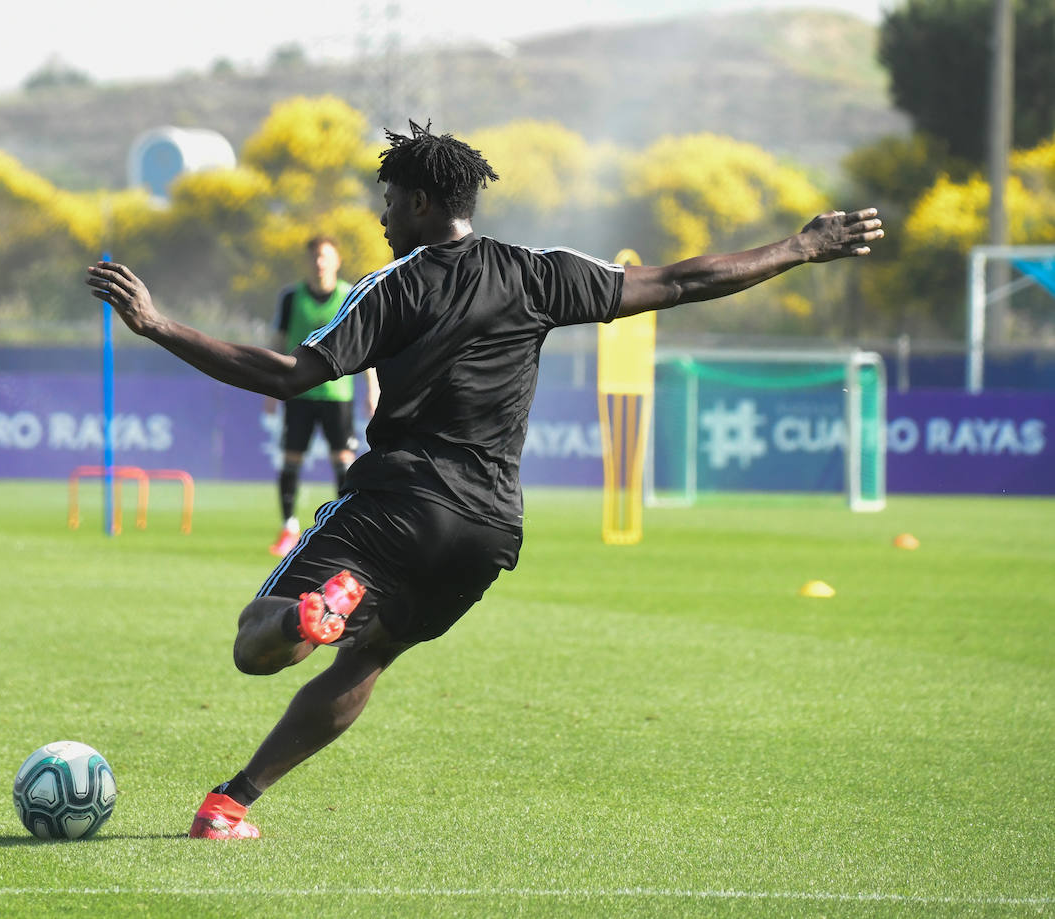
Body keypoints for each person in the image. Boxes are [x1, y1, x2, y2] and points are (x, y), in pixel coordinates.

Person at [86, 120, 885, 840]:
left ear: (427, 204)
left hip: (397, 502)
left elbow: (294, 373)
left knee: (255, 645)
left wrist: (159, 325)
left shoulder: (394, 285)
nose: (383, 217)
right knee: (367, 661)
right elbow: (679, 281)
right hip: (488, 532)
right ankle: (230, 803)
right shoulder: (539, 273)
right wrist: (799, 247)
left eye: (392, 201)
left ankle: (311, 610)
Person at [265, 236, 379, 557]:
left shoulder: (349, 295)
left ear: (336, 261)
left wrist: (372, 388)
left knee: (344, 462)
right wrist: (270, 386)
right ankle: (288, 527)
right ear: (308, 261)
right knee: (291, 460)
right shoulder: (291, 298)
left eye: (325, 257)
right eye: (314, 257)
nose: (319, 263)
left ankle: (343, 527)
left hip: (337, 394)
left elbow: (365, 346)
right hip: (298, 393)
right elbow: (278, 342)